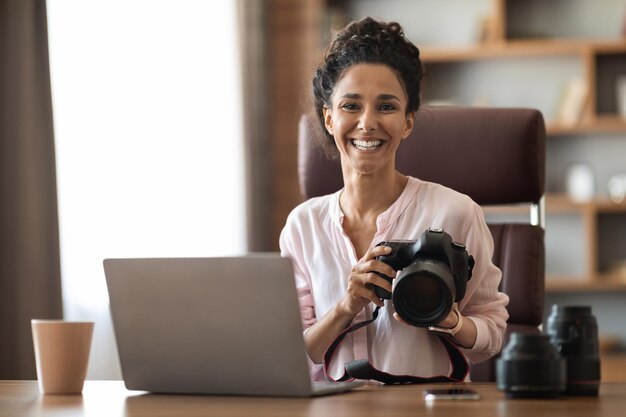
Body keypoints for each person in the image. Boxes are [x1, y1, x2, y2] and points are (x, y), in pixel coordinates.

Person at [279, 17, 509, 382]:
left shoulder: (455, 212)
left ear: (408, 122)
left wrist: (449, 320)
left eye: (386, 107)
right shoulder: (302, 227)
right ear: (328, 118)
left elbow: (492, 337)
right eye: (350, 106)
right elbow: (293, 355)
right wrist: (346, 306)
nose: (367, 123)